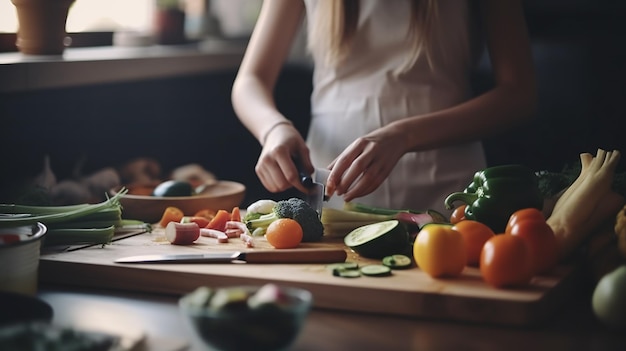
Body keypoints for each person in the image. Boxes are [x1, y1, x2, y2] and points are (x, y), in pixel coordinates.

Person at [231, 0, 536, 214]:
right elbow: (250, 81)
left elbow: (518, 94)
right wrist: (273, 129)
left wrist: (404, 135)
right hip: (333, 190)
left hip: (448, 189)